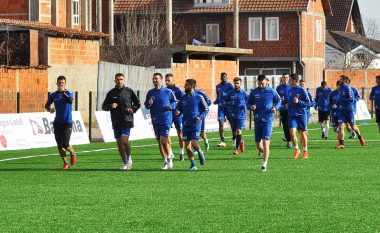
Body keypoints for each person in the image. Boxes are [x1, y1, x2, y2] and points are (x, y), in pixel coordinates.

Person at [102, 73, 141, 170]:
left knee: (124, 141)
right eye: (118, 79)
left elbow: (138, 103)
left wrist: (132, 109)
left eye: (121, 79)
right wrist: (111, 106)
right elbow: (104, 106)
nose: (119, 81)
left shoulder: (129, 91)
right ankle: (125, 162)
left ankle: (129, 158)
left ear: (124, 80)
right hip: (116, 121)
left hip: (127, 120)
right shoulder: (111, 93)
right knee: (119, 143)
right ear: (115, 81)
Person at [247, 75, 281, 171]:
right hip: (257, 120)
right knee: (258, 144)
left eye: (262, 83)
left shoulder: (272, 91)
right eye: (259, 84)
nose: (261, 85)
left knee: (266, 142)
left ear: (266, 82)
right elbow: (247, 103)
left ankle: (264, 164)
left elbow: (279, 100)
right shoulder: (254, 92)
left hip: (268, 120)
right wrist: (251, 107)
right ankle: (263, 151)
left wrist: (275, 108)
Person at [144, 73, 177, 170]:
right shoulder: (150, 92)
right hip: (155, 119)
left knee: (163, 140)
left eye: (156, 79)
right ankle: (165, 161)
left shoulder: (168, 91)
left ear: (161, 80)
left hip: (166, 119)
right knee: (159, 142)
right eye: (153, 79)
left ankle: (170, 158)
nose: (154, 80)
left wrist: (171, 106)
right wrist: (149, 104)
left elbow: (175, 101)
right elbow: (146, 105)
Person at [176, 79, 209, 171]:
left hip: (195, 124)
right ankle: (193, 164)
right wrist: (177, 112)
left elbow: (206, 109)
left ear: (192, 86)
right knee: (187, 146)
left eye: (186, 85)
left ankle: (200, 152)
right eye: (184, 85)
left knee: (194, 143)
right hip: (186, 124)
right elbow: (178, 108)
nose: (184, 87)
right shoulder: (183, 98)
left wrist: (200, 117)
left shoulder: (199, 97)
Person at [44, 76, 76, 169]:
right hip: (57, 122)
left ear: (65, 84)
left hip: (67, 122)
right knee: (59, 145)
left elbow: (70, 101)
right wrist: (49, 109)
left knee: (65, 144)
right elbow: (46, 105)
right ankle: (66, 163)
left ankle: (73, 153)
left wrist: (63, 93)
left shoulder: (69, 92)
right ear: (56, 83)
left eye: (62, 83)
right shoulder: (53, 95)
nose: (61, 84)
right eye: (59, 82)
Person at [335, 75, 365, 149]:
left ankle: (360, 137)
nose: (340, 80)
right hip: (341, 110)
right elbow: (339, 98)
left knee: (353, 126)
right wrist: (337, 104)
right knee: (341, 126)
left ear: (344, 81)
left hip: (349, 110)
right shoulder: (340, 89)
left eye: (341, 79)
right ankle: (341, 144)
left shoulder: (348, 88)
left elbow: (351, 99)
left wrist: (342, 100)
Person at [286, 74, 311, 159]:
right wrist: (288, 105)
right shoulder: (289, 90)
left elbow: (309, 103)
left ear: (294, 80)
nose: (288, 81)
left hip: (301, 115)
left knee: (303, 134)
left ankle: (305, 150)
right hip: (291, 115)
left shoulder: (302, 90)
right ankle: (296, 149)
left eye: (290, 80)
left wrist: (299, 101)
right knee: (292, 133)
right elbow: (289, 101)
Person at [224, 77, 249, 155]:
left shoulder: (244, 93)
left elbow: (250, 102)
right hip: (233, 115)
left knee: (238, 130)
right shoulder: (230, 93)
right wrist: (230, 104)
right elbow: (225, 102)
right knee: (234, 132)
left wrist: (244, 105)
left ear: (240, 84)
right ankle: (241, 141)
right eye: (235, 83)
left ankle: (236, 149)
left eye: (238, 83)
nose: (236, 84)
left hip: (241, 115)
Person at [165, 73, 186, 161]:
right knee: (165, 134)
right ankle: (170, 152)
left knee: (180, 134)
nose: (167, 82)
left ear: (173, 80)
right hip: (168, 115)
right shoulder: (164, 90)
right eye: (166, 80)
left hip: (177, 115)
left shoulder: (178, 90)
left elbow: (183, 101)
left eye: (168, 80)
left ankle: (181, 152)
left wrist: (179, 110)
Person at [214, 72, 234, 147]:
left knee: (232, 123)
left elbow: (233, 94)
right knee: (221, 123)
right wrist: (216, 101)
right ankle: (222, 141)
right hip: (221, 107)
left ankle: (234, 138)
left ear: (227, 77)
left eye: (225, 76)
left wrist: (228, 97)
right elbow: (218, 95)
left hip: (228, 107)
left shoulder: (230, 85)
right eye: (222, 76)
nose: (223, 78)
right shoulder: (218, 86)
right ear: (220, 77)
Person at [276, 73, 292, 148]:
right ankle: (289, 141)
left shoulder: (292, 87)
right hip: (283, 110)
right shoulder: (278, 88)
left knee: (292, 125)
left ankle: (294, 138)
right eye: (284, 77)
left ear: (288, 78)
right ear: (282, 78)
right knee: (285, 126)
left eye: (287, 77)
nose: (285, 79)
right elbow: (275, 98)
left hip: (291, 109)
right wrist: (279, 100)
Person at [194, 82, 212, 151]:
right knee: (194, 132)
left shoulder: (201, 93)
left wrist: (202, 107)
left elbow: (209, 102)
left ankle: (206, 140)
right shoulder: (187, 93)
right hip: (191, 116)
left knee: (201, 132)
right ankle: (195, 149)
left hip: (200, 116)